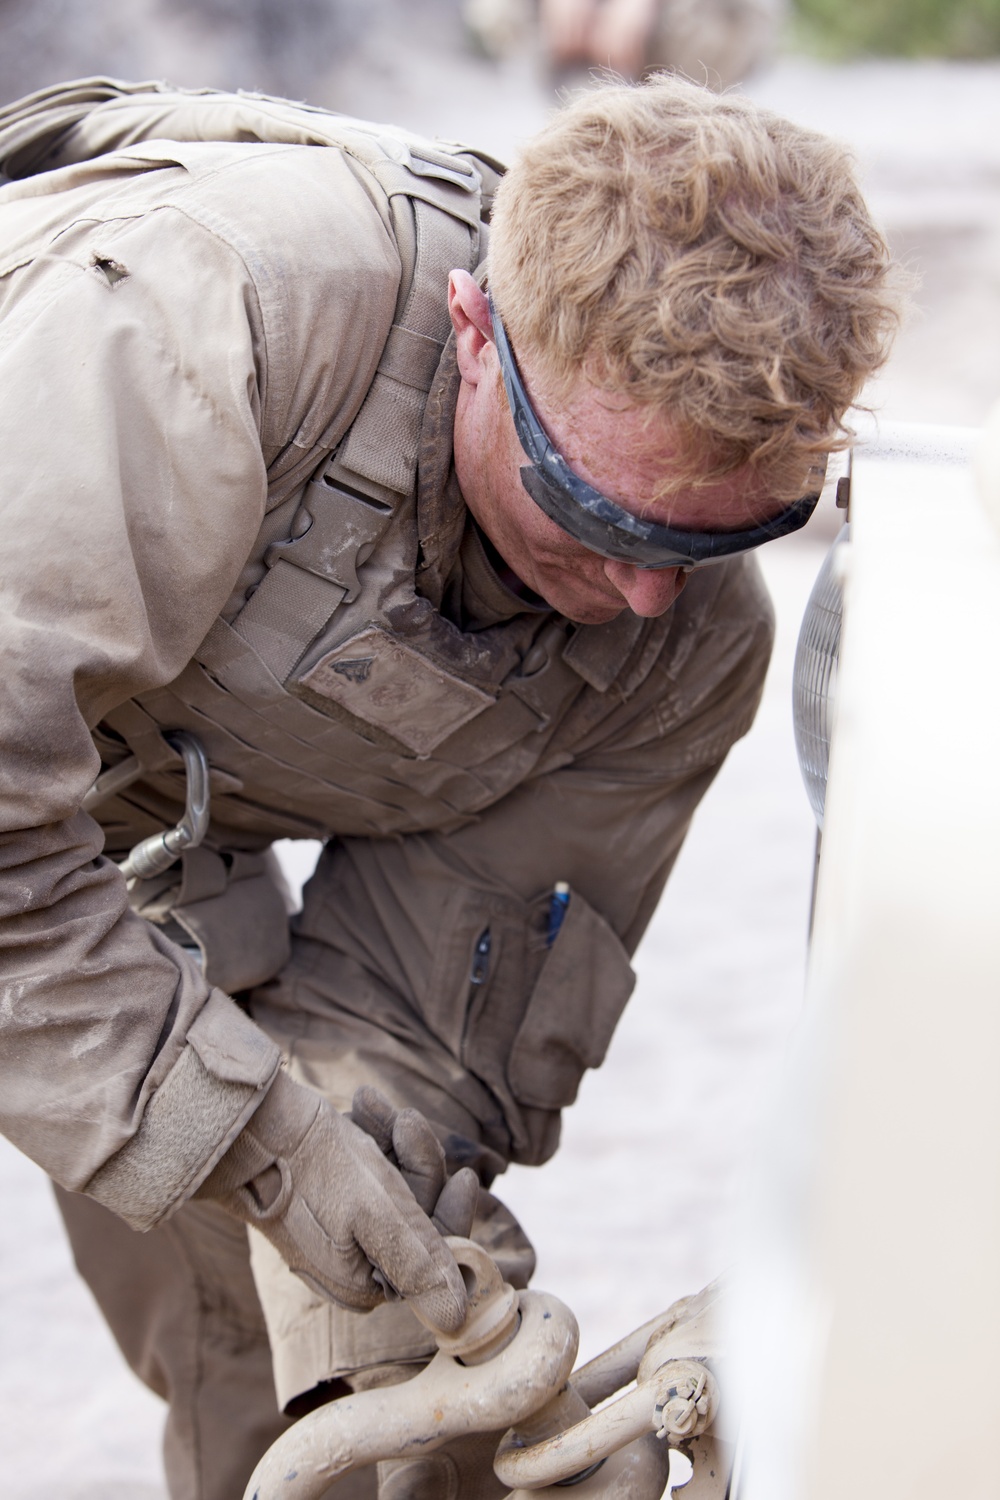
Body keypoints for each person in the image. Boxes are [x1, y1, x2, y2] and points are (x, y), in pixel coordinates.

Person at [0, 74, 897, 1500]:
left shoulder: (682, 642)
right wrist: (244, 1129)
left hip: (146, 797)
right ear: (475, 335)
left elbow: (409, 1027)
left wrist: (357, 1222)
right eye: (599, 514)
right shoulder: (202, 325)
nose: (644, 595)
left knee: (303, 1338)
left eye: (725, 535)